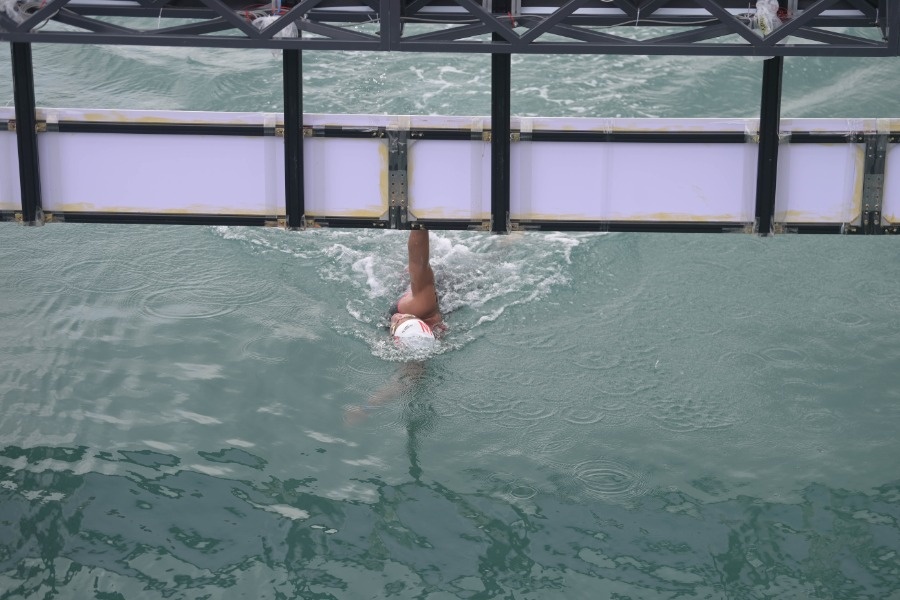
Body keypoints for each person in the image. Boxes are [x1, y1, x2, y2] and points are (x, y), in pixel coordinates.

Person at [389, 227, 446, 344]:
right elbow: (418, 262)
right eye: (402, 320)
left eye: (398, 323)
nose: (398, 318)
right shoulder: (421, 307)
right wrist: (419, 222)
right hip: (440, 288)